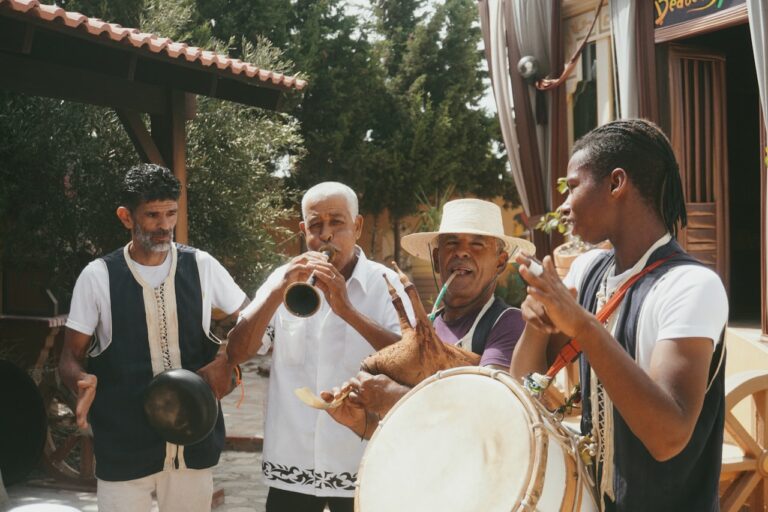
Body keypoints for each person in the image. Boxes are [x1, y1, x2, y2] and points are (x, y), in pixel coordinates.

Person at [510, 119, 728, 511]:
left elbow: (668, 437)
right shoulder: (587, 269)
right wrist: (536, 324)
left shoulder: (691, 286)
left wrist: (585, 328)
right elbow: (527, 387)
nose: (562, 204)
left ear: (616, 183)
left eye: (573, 185)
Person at [58, 163, 247, 512]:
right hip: (123, 441)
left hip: (194, 441)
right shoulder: (98, 277)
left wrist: (227, 359)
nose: (164, 226)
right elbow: (70, 356)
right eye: (152, 215)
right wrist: (80, 381)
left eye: (171, 213)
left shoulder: (202, 266)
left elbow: (250, 322)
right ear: (126, 217)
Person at [225, 181, 414, 512]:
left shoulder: (386, 283)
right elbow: (237, 353)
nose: (326, 235)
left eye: (337, 222)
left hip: (360, 457)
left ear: (357, 226)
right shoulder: (283, 279)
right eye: (316, 225)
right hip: (292, 460)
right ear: (303, 231)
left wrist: (347, 311)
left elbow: (411, 361)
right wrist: (277, 291)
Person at [323, 198, 535, 435]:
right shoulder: (425, 327)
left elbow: (490, 409)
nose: (462, 251)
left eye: (477, 244)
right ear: (436, 259)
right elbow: (405, 431)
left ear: (500, 262)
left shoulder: (508, 323)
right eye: (452, 242)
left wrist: (395, 397)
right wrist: (358, 421)